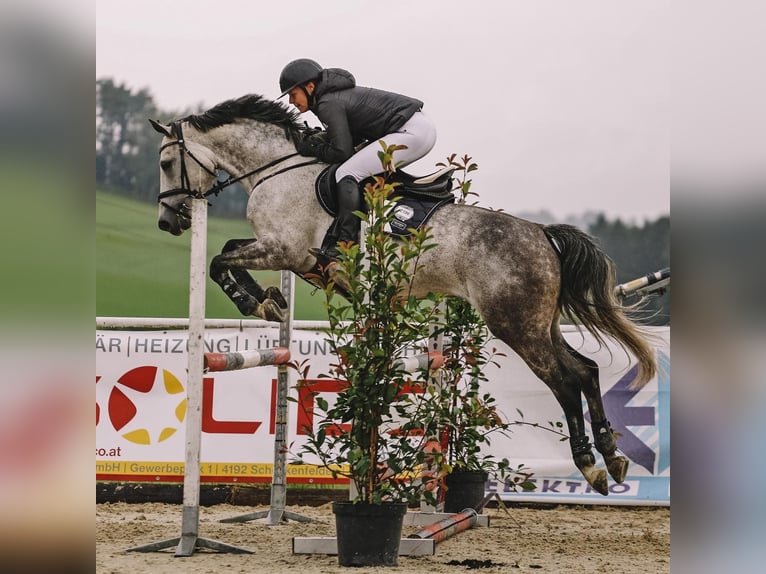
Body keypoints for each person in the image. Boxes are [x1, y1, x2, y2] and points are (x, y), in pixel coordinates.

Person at [278, 58, 437, 261]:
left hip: (412, 132)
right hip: (418, 128)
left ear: (310, 86)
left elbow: (342, 152)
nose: (291, 101)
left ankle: (346, 246)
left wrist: (312, 147)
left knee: (347, 172)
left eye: (293, 94)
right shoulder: (331, 98)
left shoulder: (328, 103)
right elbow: (352, 139)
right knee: (357, 168)